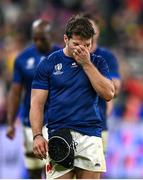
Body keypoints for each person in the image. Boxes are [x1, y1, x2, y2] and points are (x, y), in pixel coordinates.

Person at [30, 15, 115, 179]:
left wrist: (86, 63)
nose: (81, 49)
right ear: (65, 39)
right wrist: (37, 135)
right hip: (58, 134)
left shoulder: (98, 62)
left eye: (87, 45)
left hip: (90, 135)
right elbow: (36, 104)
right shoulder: (48, 63)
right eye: (76, 44)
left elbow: (108, 94)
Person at [6, 19, 60, 179]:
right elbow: (15, 93)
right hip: (30, 122)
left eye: (42, 38)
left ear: (51, 35)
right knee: (33, 171)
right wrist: (10, 122)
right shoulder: (22, 59)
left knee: (53, 169)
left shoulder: (62, 56)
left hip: (56, 122)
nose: (37, 42)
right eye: (35, 38)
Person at [82, 13, 121, 152]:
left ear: (98, 31)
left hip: (98, 124)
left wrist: (88, 67)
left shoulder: (107, 57)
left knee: (95, 172)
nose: (90, 31)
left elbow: (115, 88)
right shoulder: (67, 55)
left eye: (93, 28)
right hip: (68, 124)